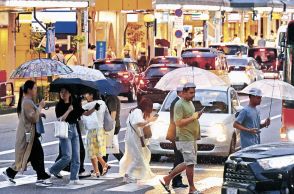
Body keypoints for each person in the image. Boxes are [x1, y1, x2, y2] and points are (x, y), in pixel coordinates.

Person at [1, 80, 52, 186]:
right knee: (36, 154)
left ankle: (11, 172)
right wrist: (41, 106)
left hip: (29, 134)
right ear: (29, 90)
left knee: (31, 155)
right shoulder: (27, 101)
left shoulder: (27, 100)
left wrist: (40, 114)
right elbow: (33, 117)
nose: (36, 90)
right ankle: (40, 175)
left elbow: (30, 115)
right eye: (34, 88)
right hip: (28, 135)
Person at [49, 88, 99, 185]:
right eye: (61, 92)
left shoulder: (75, 104)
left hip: (74, 130)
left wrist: (94, 108)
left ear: (70, 93)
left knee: (76, 156)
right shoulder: (59, 105)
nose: (63, 94)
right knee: (67, 156)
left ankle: (74, 178)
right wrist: (68, 110)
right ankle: (52, 170)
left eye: (65, 92)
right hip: (65, 130)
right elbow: (60, 119)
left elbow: (86, 113)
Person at [160, 83, 202, 194]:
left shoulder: (190, 103)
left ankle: (167, 178)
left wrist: (196, 116)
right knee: (189, 163)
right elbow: (177, 122)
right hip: (184, 137)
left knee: (189, 162)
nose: (193, 95)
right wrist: (193, 117)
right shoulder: (179, 104)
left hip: (192, 137)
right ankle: (192, 188)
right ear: (183, 93)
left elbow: (190, 118)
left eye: (194, 92)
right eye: (191, 93)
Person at [119, 98, 158, 183]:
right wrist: (150, 120)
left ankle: (133, 175)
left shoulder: (135, 111)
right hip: (134, 138)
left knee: (138, 156)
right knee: (139, 158)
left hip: (133, 137)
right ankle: (128, 175)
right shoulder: (137, 112)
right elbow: (138, 123)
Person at [82, 91, 110, 178]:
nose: (86, 96)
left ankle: (97, 171)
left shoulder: (89, 105)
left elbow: (80, 110)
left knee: (92, 151)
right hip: (101, 130)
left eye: (87, 94)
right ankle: (104, 165)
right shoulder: (103, 103)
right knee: (97, 151)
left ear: (92, 95)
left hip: (92, 130)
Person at [166, 86, 188, 189]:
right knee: (180, 158)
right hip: (176, 134)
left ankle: (174, 178)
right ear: (180, 93)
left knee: (180, 157)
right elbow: (177, 120)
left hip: (178, 133)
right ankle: (174, 178)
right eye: (185, 92)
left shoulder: (179, 102)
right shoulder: (176, 103)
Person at [99, 95, 123, 174]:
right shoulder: (106, 98)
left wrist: (110, 126)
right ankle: (102, 168)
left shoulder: (111, 98)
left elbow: (113, 112)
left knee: (111, 147)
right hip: (110, 125)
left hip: (112, 126)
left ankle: (125, 163)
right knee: (107, 147)